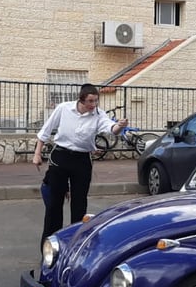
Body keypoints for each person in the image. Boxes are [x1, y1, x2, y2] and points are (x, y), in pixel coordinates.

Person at [32, 83, 127, 243]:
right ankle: (49, 245)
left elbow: (111, 129)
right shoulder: (64, 108)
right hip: (61, 157)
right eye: (90, 101)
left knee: (79, 204)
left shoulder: (98, 114)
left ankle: (76, 243)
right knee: (55, 204)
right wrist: (37, 153)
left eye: (96, 101)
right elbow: (45, 131)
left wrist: (119, 126)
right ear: (81, 100)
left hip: (82, 160)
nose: (93, 105)